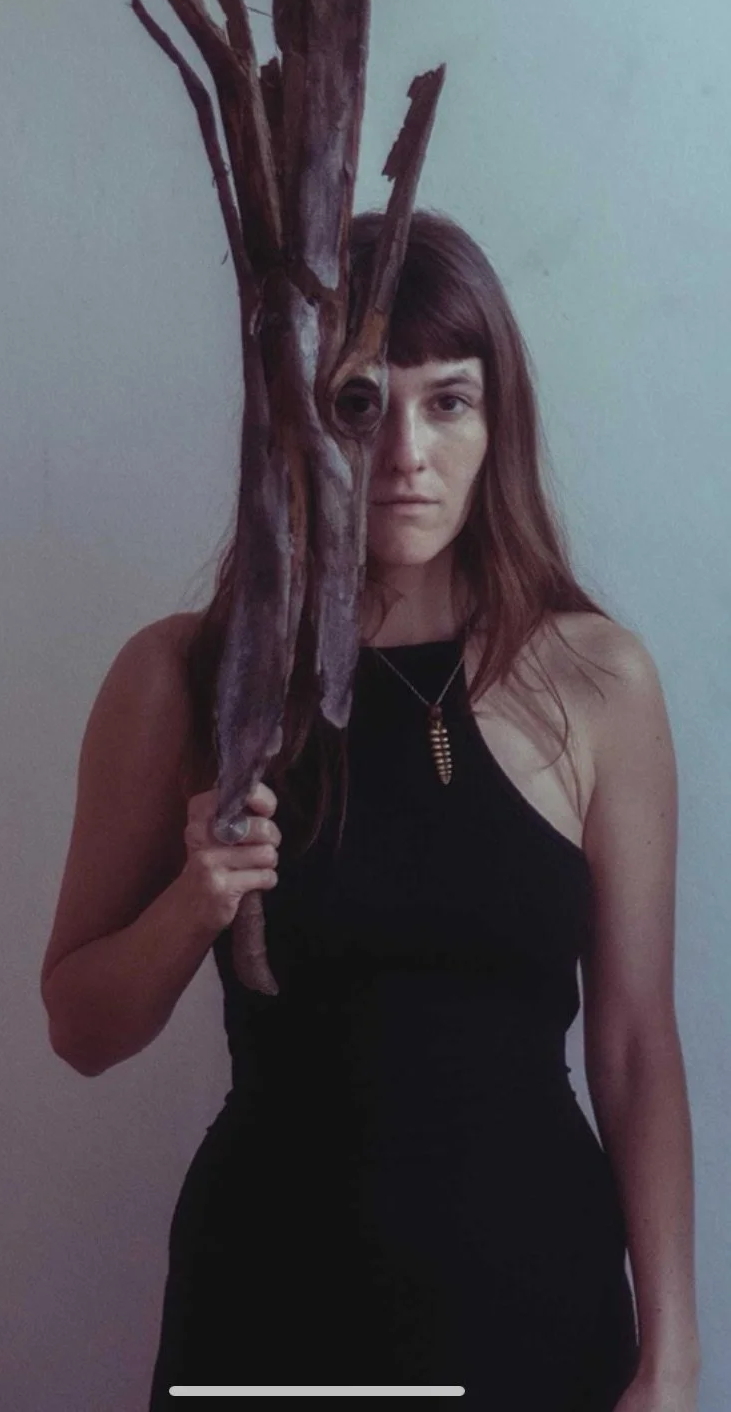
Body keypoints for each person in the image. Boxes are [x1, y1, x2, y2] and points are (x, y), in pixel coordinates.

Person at [40, 210, 700, 1407]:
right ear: (297, 414)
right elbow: (80, 1026)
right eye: (362, 403)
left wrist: (675, 1349)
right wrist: (194, 900)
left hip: (539, 1322)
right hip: (272, 1322)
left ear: (498, 420)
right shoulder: (185, 679)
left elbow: (637, 1044)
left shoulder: (598, 680)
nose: (406, 451)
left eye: (448, 401)